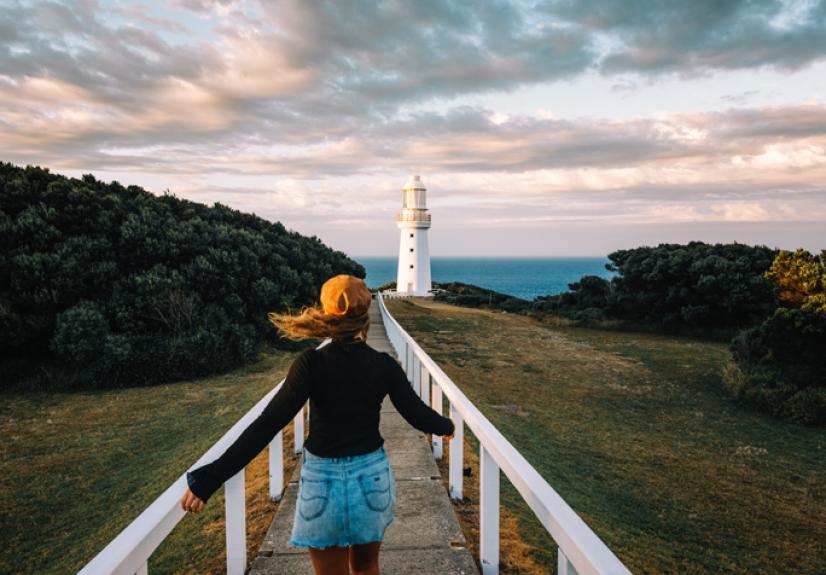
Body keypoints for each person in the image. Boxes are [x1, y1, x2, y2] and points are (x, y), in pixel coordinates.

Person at [180, 274, 455, 575]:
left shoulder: (310, 364)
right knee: (367, 567)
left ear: (326, 313)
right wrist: (446, 426)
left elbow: (268, 424)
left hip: (322, 480)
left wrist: (211, 478)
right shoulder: (383, 365)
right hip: (371, 476)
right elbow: (415, 413)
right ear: (366, 316)